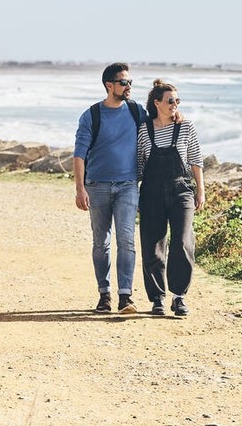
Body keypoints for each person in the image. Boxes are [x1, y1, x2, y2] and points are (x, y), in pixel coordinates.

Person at [74, 62, 148, 314]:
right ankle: (104, 295)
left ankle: (125, 297)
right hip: (96, 186)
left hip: (128, 185)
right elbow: (79, 155)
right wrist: (80, 189)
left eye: (130, 82)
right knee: (101, 242)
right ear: (109, 85)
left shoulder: (136, 111)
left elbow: (158, 125)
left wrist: (176, 116)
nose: (129, 87)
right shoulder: (91, 115)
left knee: (126, 240)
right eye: (124, 82)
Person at [137, 79, 205, 317]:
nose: (175, 104)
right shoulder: (144, 129)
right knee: (152, 245)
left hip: (181, 190)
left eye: (177, 100)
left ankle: (179, 296)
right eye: (170, 100)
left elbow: (196, 160)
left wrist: (201, 191)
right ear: (157, 103)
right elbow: (139, 163)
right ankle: (157, 299)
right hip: (151, 191)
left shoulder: (186, 126)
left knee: (183, 242)